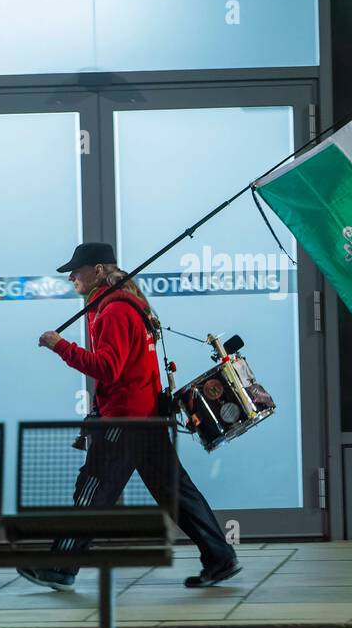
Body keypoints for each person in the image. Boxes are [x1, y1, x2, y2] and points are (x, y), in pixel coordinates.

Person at [18, 241, 240, 591]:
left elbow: (108, 368)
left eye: (77, 270)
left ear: (99, 271)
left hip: (125, 420)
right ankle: (220, 557)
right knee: (174, 492)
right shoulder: (122, 306)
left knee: (92, 490)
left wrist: (60, 346)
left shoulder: (115, 311)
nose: (71, 276)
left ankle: (61, 566)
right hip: (144, 416)